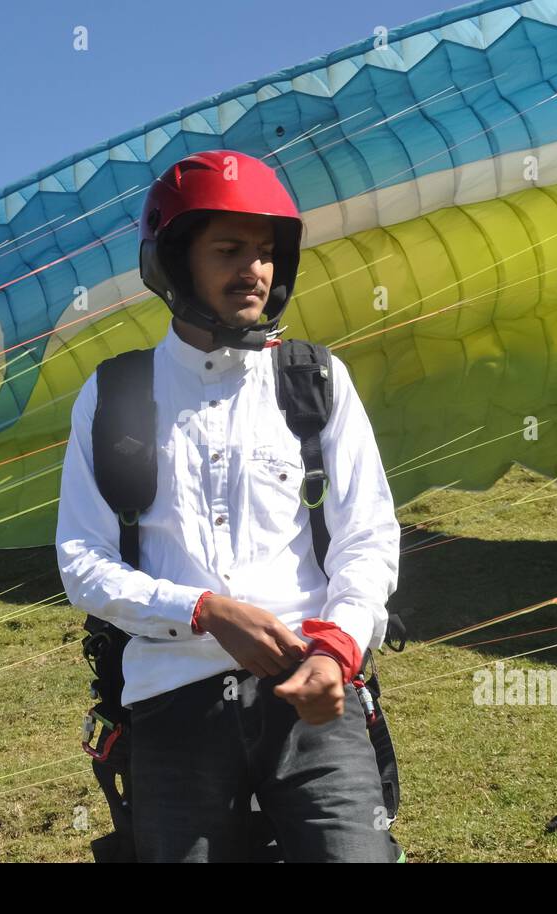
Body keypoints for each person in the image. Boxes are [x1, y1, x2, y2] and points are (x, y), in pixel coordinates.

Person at [55, 149, 401, 862]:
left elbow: (368, 534)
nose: (256, 269)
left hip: (311, 694)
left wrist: (338, 647)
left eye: (268, 252)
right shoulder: (115, 395)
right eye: (229, 249)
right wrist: (203, 610)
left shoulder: (315, 380)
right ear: (177, 263)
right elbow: (82, 562)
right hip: (170, 706)